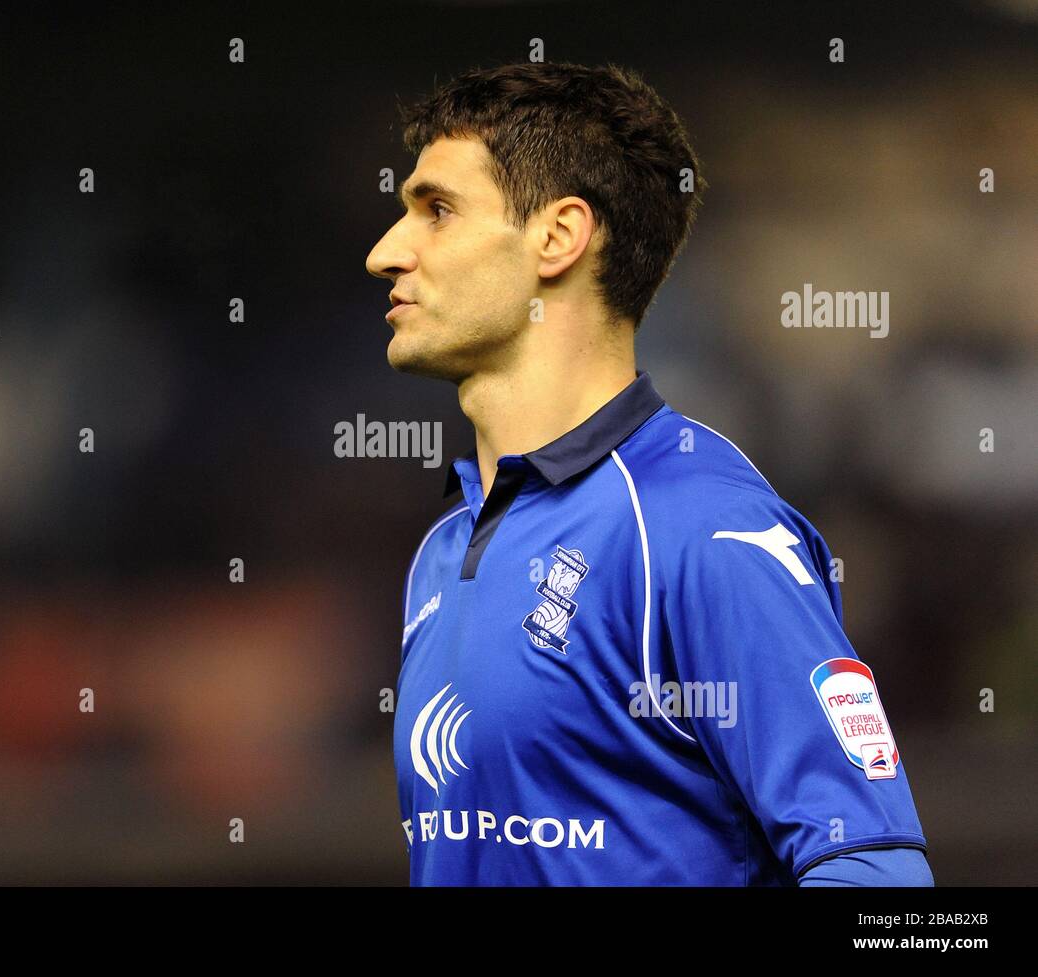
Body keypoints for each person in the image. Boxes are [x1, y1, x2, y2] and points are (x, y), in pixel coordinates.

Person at [365, 61, 931, 886]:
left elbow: (885, 886)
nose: (388, 251)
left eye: (437, 210)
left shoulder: (700, 527)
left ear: (558, 236)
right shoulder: (443, 549)